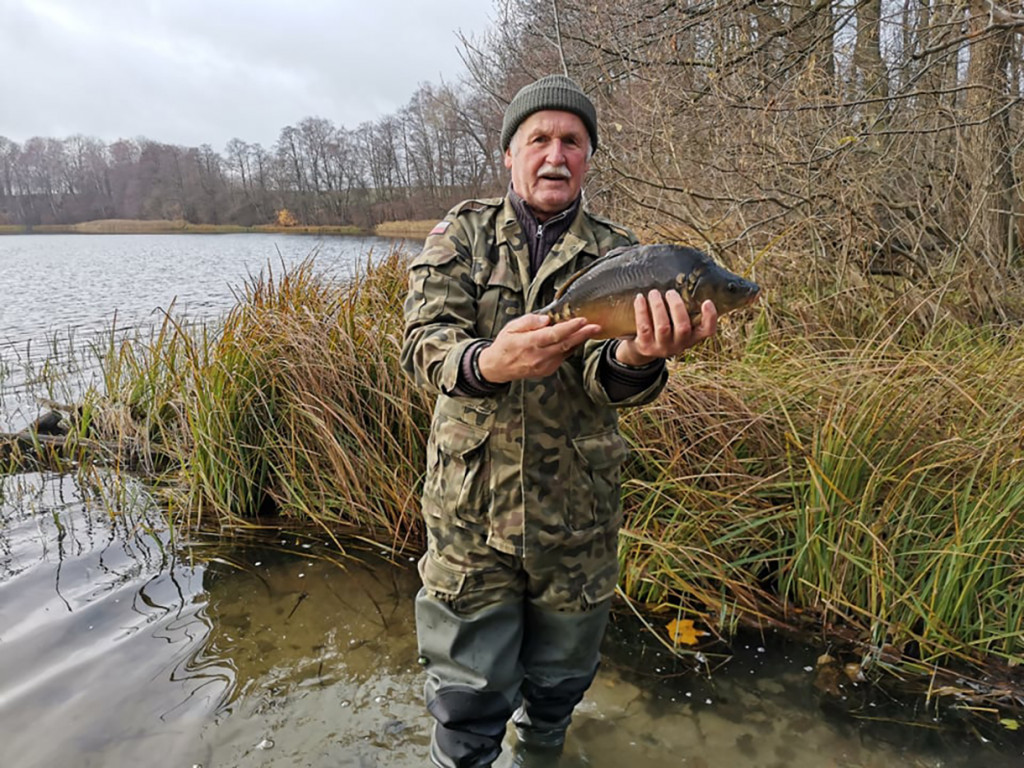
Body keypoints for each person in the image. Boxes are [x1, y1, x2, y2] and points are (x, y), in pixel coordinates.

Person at [400, 74, 719, 768]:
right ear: (510, 155)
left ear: (589, 159)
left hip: (578, 516)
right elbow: (422, 345)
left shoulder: (623, 254)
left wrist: (638, 357)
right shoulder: (460, 235)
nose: (555, 154)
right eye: (538, 139)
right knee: (465, 697)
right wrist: (488, 361)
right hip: (469, 513)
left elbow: (608, 382)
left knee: (556, 692)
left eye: (571, 141)